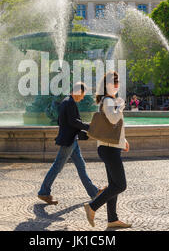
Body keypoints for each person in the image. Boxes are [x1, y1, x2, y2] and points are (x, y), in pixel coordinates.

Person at [38, 82, 104, 205]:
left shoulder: (67, 101)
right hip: (68, 141)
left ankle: (94, 192)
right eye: (83, 94)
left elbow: (62, 120)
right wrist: (88, 127)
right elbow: (73, 121)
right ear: (78, 92)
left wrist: (78, 129)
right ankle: (44, 192)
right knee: (57, 166)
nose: (83, 97)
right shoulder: (69, 102)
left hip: (71, 139)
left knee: (81, 166)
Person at [84, 71, 131, 230]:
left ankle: (112, 219)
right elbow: (113, 119)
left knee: (113, 184)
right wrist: (122, 105)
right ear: (107, 85)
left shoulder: (109, 100)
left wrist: (123, 140)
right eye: (114, 83)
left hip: (110, 147)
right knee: (121, 185)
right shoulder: (108, 101)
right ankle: (92, 207)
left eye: (118, 83)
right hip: (109, 149)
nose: (117, 86)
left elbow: (113, 126)